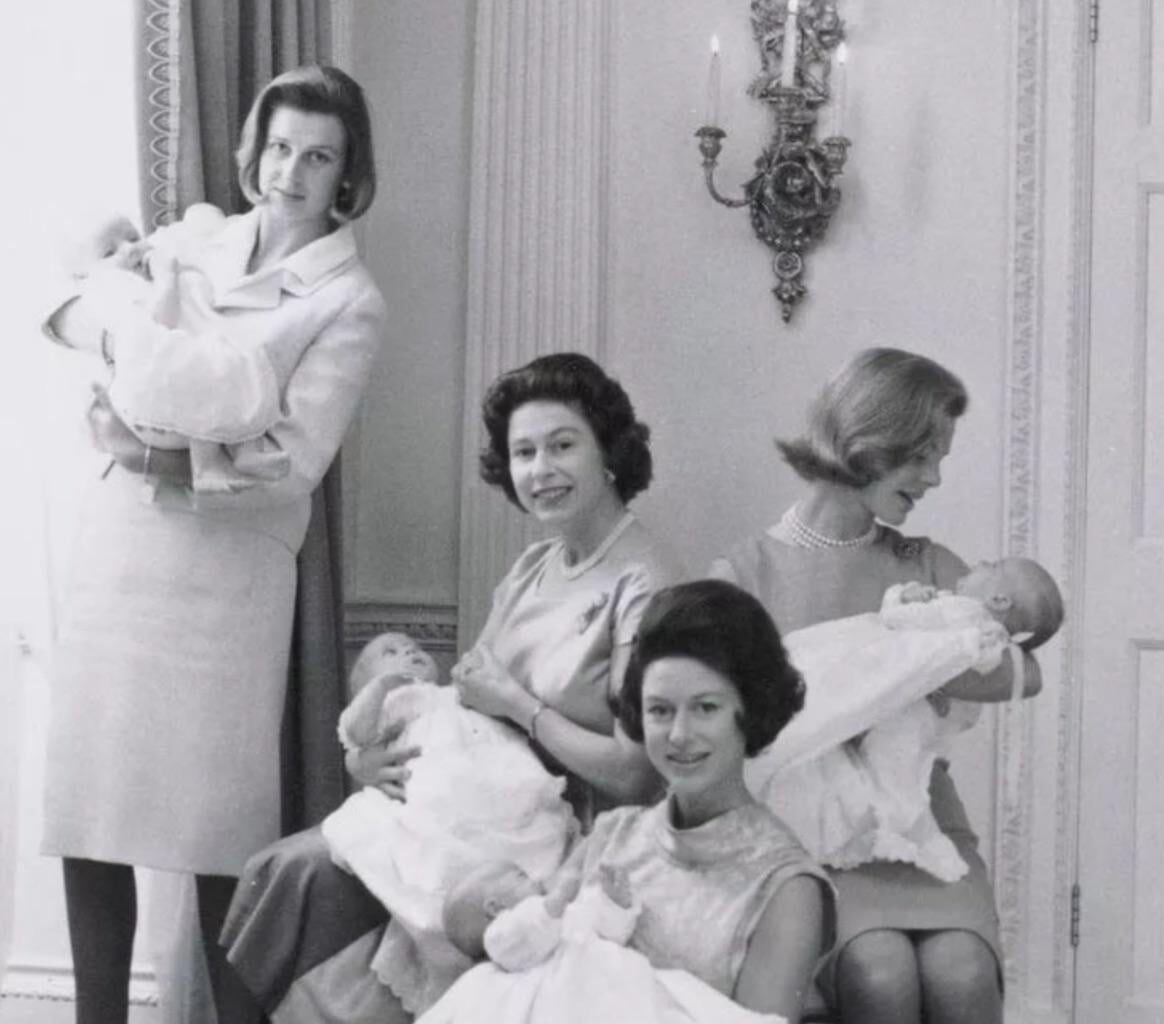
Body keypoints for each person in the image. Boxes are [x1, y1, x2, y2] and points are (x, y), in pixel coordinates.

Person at [38, 63, 384, 1024]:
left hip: (227, 579)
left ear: (348, 174)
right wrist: (123, 335)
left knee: (217, 831)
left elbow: (293, 460)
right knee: (92, 811)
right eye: (279, 148)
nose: (290, 173)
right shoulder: (194, 240)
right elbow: (75, 314)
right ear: (253, 152)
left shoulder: (349, 300)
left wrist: (153, 452)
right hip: (122, 557)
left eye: (317, 157)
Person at [221, 352, 686, 1021]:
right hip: (471, 809)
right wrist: (370, 761)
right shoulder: (534, 567)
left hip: (560, 838)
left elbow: (636, 773)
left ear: (610, 451)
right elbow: (464, 700)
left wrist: (521, 707)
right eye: (523, 452)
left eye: (562, 446)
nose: (541, 470)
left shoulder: (645, 582)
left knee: (308, 878)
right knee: (284, 870)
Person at [712, 348, 1045, 1024]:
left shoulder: (925, 563)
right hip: (813, 832)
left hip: (922, 821)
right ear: (869, 442)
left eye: (939, 458)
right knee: (880, 972)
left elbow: (1025, 672)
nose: (935, 478)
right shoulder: (743, 575)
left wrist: (891, 671)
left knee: (963, 973)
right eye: (921, 456)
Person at [421, 580, 835, 1024]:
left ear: (749, 710)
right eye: (660, 710)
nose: (679, 735)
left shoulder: (787, 890)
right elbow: (537, 975)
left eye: (705, 708)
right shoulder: (613, 833)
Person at [748, 556, 1064, 884]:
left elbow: (898, 621)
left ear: (999, 600)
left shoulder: (965, 613)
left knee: (867, 745)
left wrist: (903, 599)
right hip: (913, 703)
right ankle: (879, 818)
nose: (983, 562)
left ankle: (878, 818)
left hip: (907, 697)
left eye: (994, 567)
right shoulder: (978, 626)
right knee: (884, 761)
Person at [319, 631, 575, 966]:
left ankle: (528, 865)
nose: (408, 651)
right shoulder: (397, 703)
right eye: (390, 652)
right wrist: (379, 690)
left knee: (522, 797)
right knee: (446, 808)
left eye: (414, 647)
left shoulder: (457, 693)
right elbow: (356, 733)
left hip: (491, 763)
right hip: (445, 774)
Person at [62, 201, 300, 494]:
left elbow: (198, 225)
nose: (130, 249)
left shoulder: (146, 265)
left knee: (226, 373)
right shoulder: (110, 287)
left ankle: (242, 452)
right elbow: (155, 328)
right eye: (109, 252)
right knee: (197, 391)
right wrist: (168, 280)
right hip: (150, 399)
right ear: (84, 275)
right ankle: (209, 466)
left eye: (133, 236)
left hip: (175, 374)